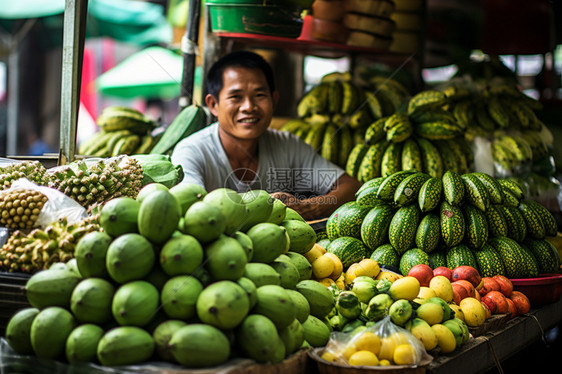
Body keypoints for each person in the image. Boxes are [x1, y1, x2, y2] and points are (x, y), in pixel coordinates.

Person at [171, 50, 361, 220]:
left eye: (259, 95)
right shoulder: (191, 152)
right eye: (236, 97)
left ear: (274, 100)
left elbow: (350, 187)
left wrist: (308, 207)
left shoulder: (287, 146)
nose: (249, 107)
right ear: (213, 105)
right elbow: (191, 211)